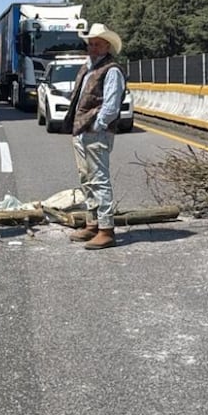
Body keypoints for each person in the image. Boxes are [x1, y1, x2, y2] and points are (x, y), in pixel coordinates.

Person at [62, 24, 127, 250]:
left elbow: (110, 106)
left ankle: (106, 230)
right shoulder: (89, 67)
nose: (92, 47)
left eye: (97, 43)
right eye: (90, 43)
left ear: (107, 45)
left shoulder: (111, 70)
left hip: (95, 132)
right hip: (82, 131)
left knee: (99, 180)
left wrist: (97, 126)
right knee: (86, 178)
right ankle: (93, 223)